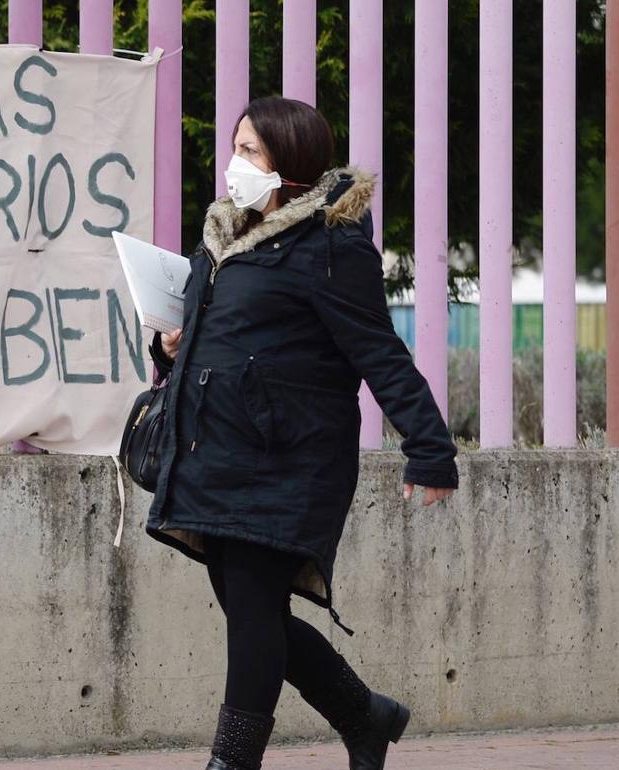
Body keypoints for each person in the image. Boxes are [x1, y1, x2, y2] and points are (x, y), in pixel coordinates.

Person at [146, 96, 458, 770]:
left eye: (251, 151)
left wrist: (429, 451)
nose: (236, 163)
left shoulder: (329, 247)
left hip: (289, 459)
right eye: (236, 147)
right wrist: (169, 349)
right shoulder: (224, 237)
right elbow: (216, 337)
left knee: (254, 613)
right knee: (252, 612)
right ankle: (365, 716)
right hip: (219, 453)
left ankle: (232, 762)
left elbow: (379, 352)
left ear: (290, 162)